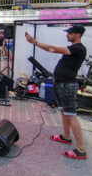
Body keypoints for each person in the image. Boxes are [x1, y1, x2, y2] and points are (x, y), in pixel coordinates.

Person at [26, 25, 87, 160]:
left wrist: (34, 42)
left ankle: (81, 150)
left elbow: (52, 49)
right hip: (61, 83)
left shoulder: (78, 48)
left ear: (78, 35)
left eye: (70, 33)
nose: (67, 35)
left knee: (71, 115)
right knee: (65, 112)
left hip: (67, 85)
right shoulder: (75, 48)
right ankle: (66, 136)